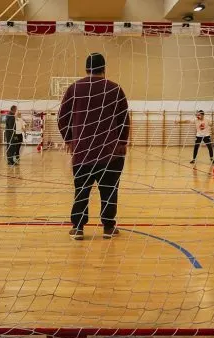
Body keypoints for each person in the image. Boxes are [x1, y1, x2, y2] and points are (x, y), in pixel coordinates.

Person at [58, 52, 130, 241]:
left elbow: (62, 118)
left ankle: (79, 228)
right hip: (110, 153)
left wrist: (69, 139)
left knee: (81, 191)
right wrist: (122, 142)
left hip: (83, 153)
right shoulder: (115, 89)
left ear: (86, 68)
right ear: (104, 68)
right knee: (109, 190)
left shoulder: (74, 88)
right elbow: (124, 119)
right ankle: (108, 228)